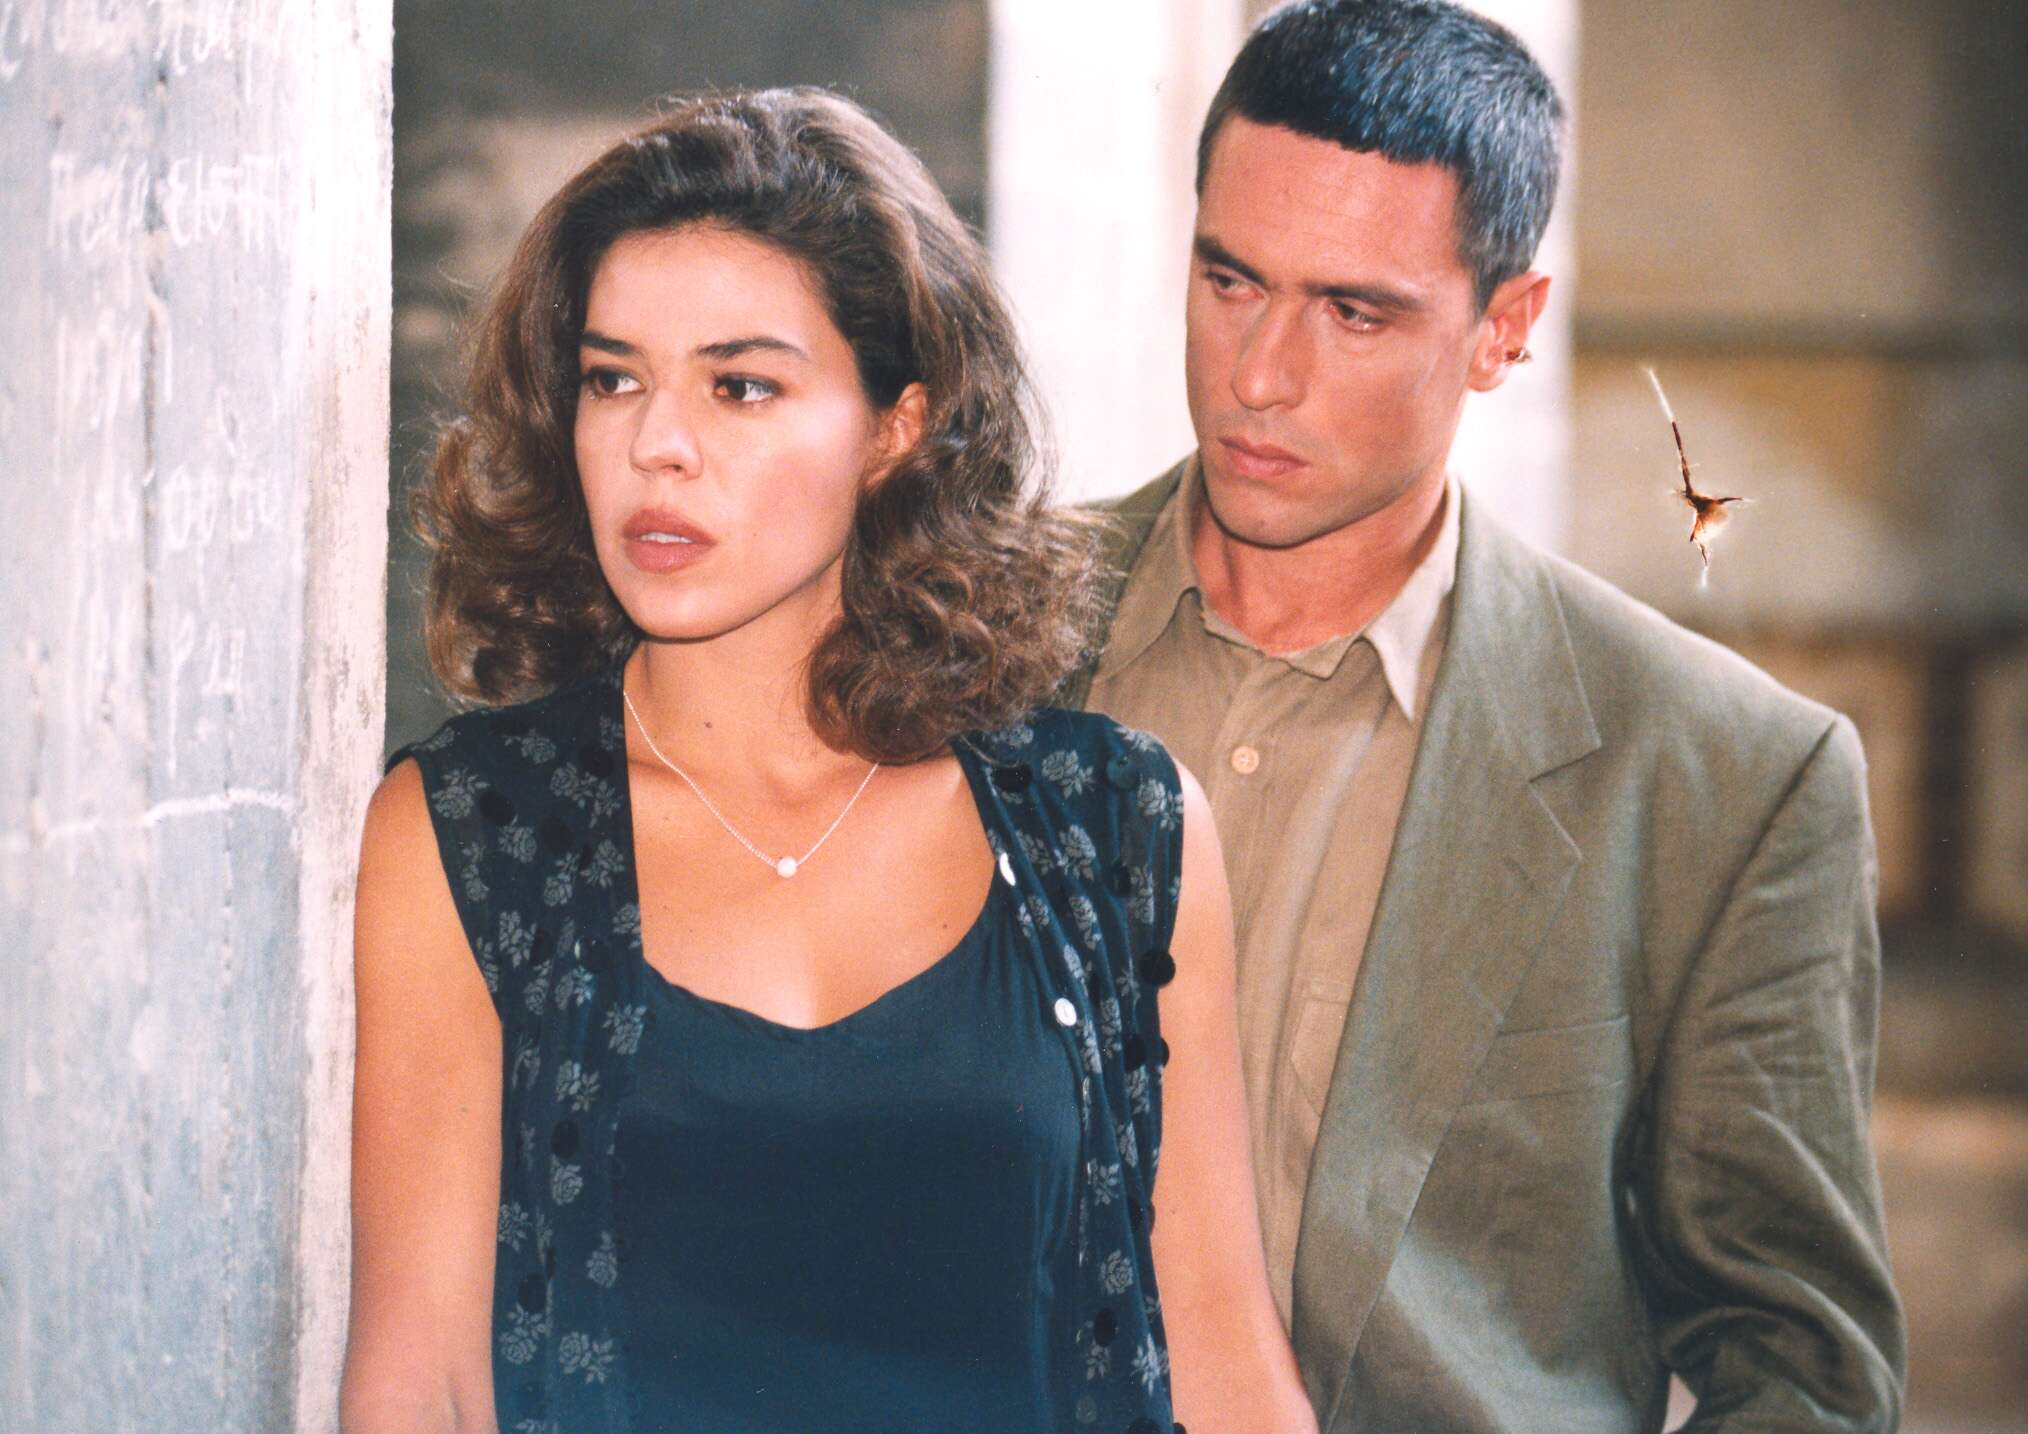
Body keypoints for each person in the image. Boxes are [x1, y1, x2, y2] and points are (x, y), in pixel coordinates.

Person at [340, 89, 1315, 1434]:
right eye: (613, 378)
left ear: (895, 427)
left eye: (741, 386)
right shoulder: (471, 831)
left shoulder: (1116, 826)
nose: (656, 444)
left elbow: (1225, 1370)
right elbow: (420, 1386)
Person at [1059, 3, 1906, 1430]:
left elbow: (1802, 1368)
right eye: (1230, 279)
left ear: (1505, 329)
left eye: (1354, 312)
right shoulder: (957, 636)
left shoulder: (1729, 778)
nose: (1260, 374)